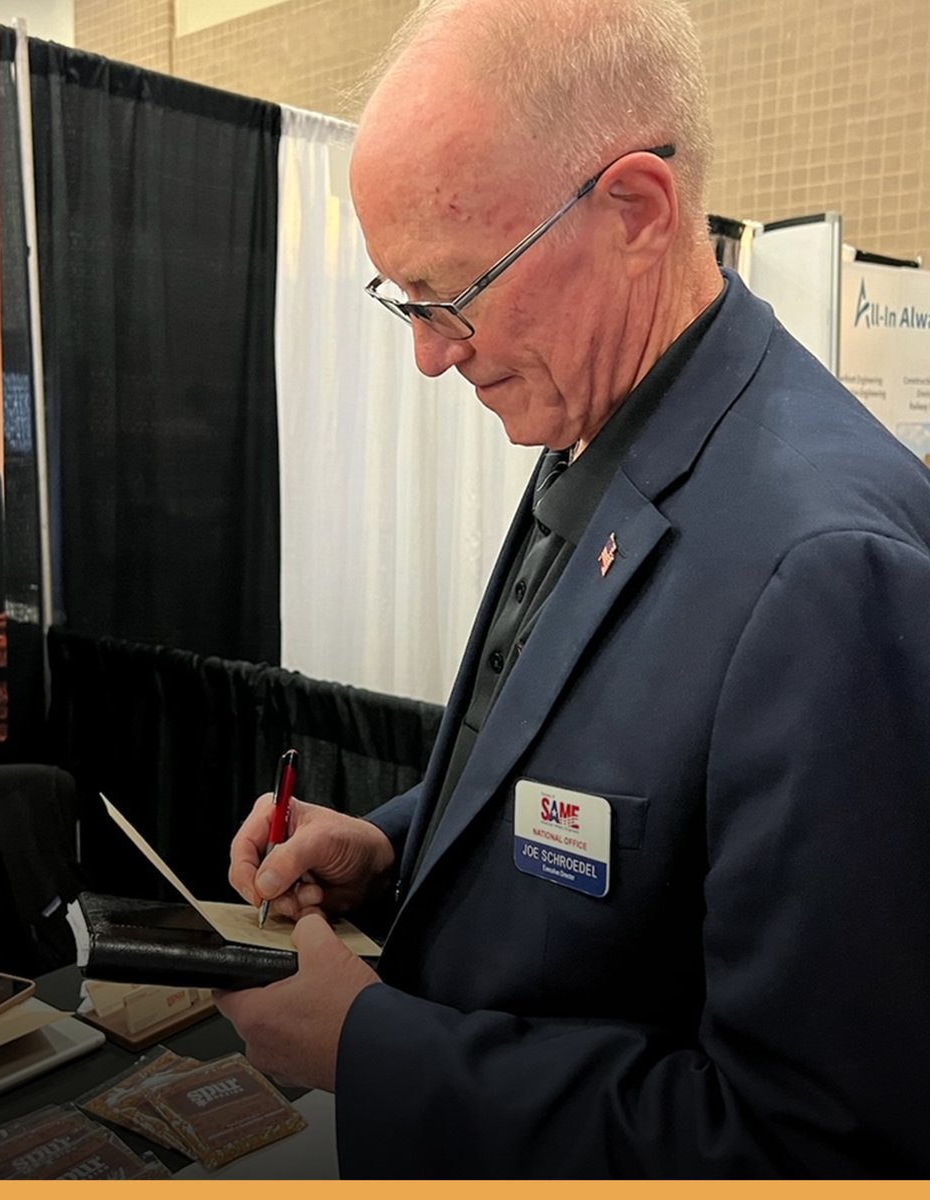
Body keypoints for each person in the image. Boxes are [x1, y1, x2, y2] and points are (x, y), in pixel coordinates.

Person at [215, 0, 930, 1178]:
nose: (430, 354)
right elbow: (607, 803)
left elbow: (816, 1138)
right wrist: (396, 853)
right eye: (406, 300)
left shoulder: (826, 570)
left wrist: (368, 1046)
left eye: (454, 294)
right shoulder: (600, 428)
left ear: (635, 211)